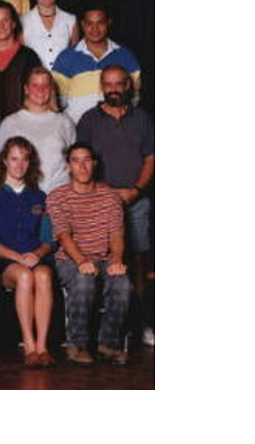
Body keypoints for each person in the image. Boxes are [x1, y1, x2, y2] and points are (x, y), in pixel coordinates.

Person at [76, 65, 155, 345]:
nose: (113, 89)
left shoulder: (142, 119)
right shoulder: (88, 120)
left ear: (127, 86)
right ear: (101, 85)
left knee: (137, 261)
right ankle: (105, 330)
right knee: (105, 262)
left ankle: (141, 324)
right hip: (100, 203)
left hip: (136, 202)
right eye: (107, 84)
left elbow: (150, 158)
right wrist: (107, 195)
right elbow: (81, 163)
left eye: (118, 84)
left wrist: (135, 190)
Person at [48, 142, 131, 365]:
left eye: (86, 160)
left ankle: (108, 345)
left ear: (94, 164)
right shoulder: (57, 197)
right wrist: (82, 261)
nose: (82, 167)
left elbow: (116, 234)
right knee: (84, 280)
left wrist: (117, 259)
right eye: (76, 161)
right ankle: (78, 345)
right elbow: (64, 236)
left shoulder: (110, 196)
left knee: (122, 283)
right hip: (71, 259)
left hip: (103, 258)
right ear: (68, 167)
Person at [0, 136, 56, 367]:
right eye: (14, 159)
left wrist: (37, 254)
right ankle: (28, 345)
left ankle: (42, 347)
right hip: (7, 263)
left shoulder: (40, 197)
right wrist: (18, 258)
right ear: (4, 161)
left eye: (24, 160)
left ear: (30, 163)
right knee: (25, 276)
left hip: (36, 258)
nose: (19, 165)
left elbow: (49, 239)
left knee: (44, 275)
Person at [51, 4, 143, 123]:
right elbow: (57, 101)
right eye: (90, 23)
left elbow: (134, 98)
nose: (95, 29)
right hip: (77, 132)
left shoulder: (126, 56)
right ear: (83, 24)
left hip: (118, 130)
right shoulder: (66, 58)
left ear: (109, 23)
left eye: (100, 23)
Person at [0, 67, 76, 193]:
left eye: (46, 85)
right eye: (35, 85)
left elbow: (74, 163)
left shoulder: (65, 122)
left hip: (61, 195)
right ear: (26, 89)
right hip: (24, 196)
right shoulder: (10, 123)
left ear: (51, 90)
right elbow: (0, 166)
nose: (41, 89)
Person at [20, 0, 79, 69]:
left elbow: (74, 56)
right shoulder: (23, 21)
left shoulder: (70, 20)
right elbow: (21, 58)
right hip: (34, 81)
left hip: (63, 80)